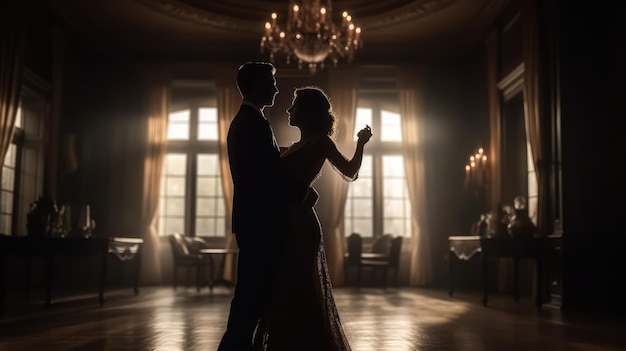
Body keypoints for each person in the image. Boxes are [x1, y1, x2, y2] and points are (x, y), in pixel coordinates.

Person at [253, 86, 372, 351]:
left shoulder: (321, 141)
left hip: (300, 225)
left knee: (299, 287)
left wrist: (360, 145)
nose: (288, 109)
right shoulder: (295, 145)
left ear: (306, 112)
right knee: (285, 287)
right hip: (286, 222)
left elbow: (350, 171)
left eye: (294, 105)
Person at [218, 62, 306, 351]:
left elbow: (264, 167)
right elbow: (266, 174)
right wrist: (304, 193)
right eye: (271, 82)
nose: (277, 88)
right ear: (256, 84)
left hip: (254, 220)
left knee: (254, 295)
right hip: (259, 223)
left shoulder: (248, 122)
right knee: (251, 296)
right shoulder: (252, 124)